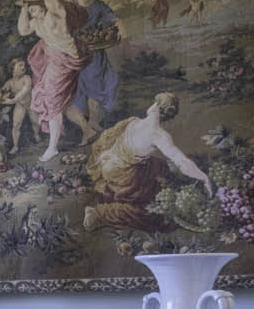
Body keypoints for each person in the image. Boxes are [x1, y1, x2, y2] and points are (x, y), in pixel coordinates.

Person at [83, 93, 215, 232]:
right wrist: (203, 177)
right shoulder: (159, 135)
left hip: (104, 163)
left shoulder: (133, 121)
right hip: (121, 175)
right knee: (150, 211)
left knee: (159, 166)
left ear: (156, 107)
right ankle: (98, 214)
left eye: (155, 102)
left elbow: (105, 142)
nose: (152, 105)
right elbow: (182, 162)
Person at [21, 0, 89, 162]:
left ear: (42, 5)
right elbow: (23, 29)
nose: (32, 13)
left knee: (53, 103)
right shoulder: (37, 21)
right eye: (30, 11)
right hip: (53, 62)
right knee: (60, 102)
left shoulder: (56, 15)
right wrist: (23, 8)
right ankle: (88, 130)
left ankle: (53, 148)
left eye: (33, 8)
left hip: (63, 62)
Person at [70, 0, 124, 133]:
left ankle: (93, 121)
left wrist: (121, 28)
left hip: (94, 52)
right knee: (77, 87)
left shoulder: (100, 6)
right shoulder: (70, 2)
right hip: (73, 51)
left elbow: (115, 20)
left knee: (96, 85)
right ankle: (83, 126)